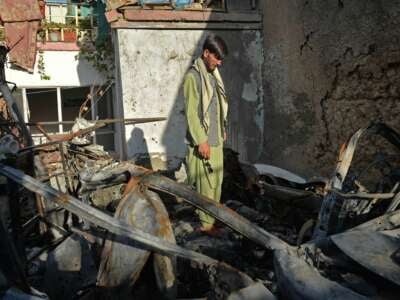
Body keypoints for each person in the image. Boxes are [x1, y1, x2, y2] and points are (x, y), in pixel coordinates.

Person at [183, 34, 229, 233]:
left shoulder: (212, 75)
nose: (219, 62)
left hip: (216, 139)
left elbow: (217, 105)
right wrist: (201, 141)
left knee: (217, 183)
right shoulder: (193, 77)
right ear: (206, 53)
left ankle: (211, 221)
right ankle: (205, 226)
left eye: (221, 59)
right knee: (206, 184)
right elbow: (192, 112)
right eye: (216, 57)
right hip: (204, 142)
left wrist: (222, 128)